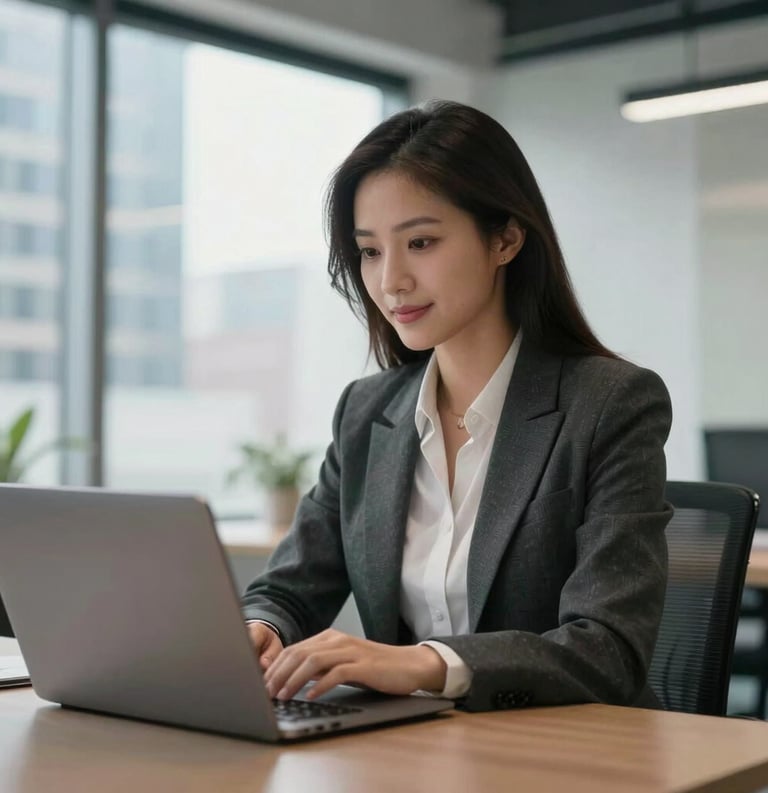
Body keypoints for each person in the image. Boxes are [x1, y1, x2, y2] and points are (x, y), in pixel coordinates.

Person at [241, 100, 672, 712]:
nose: (391, 280)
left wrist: (424, 663)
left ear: (505, 239)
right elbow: (290, 587)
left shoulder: (609, 404)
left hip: (572, 754)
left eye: (420, 242)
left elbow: (609, 649)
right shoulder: (367, 413)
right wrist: (263, 628)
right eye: (369, 251)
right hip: (412, 756)